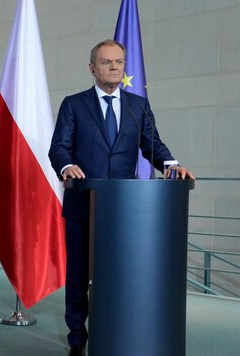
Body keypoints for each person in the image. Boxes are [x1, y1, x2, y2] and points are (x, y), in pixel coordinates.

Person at [48, 39, 195, 356]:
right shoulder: (73, 105)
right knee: (78, 278)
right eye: (106, 62)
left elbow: (152, 144)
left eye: (119, 62)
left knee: (118, 274)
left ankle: (117, 330)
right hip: (83, 208)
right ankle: (77, 339)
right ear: (92, 68)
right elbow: (58, 147)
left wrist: (172, 166)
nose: (115, 68)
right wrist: (67, 164)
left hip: (125, 211)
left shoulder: (137, 105)